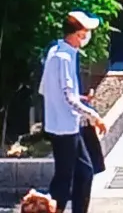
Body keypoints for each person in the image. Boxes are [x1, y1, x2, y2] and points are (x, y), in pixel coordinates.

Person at [39, 12, 107, 213]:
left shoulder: (56, 51)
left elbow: (48, 89)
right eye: (85, 32)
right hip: (64, 128)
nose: (87, 37)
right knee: (65, 179)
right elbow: (68, 98)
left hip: (64, 125)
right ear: (77, 34)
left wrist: (79, 100)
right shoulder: (64, 58)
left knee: (82, 173)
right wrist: (93, 116)